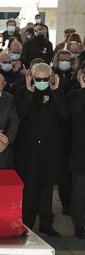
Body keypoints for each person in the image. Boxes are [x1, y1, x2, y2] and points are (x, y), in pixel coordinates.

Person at [13, 63, 65, 238]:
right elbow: (20, 116)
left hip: (50, 150)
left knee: (46, 188)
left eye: (45, 79)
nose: (42, 82)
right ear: (31, 77)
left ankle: (46, 223)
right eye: (38, 79)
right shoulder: (21, 92)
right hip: (29, 150)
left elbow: (64, 116)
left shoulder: (57, 93)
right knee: (29, 188)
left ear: (51, 77)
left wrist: (56, 92)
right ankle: (26, 223)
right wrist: (30, 92)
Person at [67, 68, 85, 239]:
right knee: (79, 194)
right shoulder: (74, 95)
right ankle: (79, 226)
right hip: (81, 154)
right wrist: (83, 89)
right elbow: (75, 111)